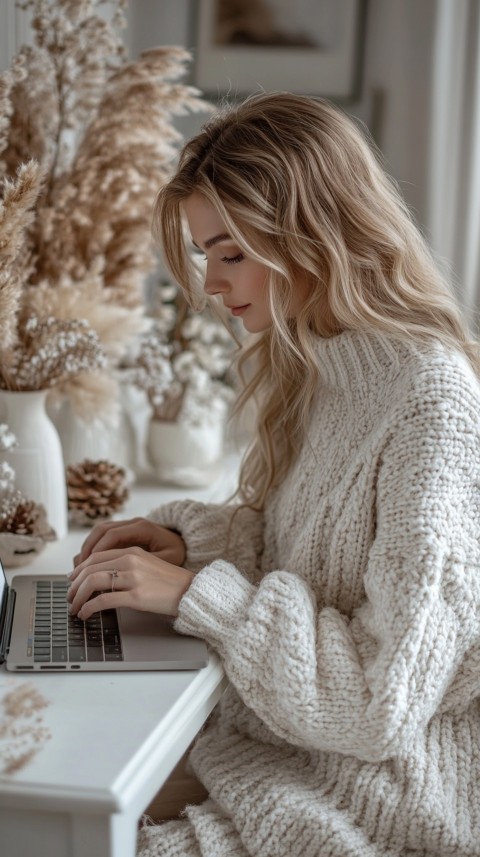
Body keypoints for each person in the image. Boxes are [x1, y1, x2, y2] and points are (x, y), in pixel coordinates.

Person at [67, 92, 480, 857]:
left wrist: (198, 596)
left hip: (378, 791)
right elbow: (304, 555)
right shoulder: (322, 367)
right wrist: (183, 541)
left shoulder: (431, 398)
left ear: (317, 235)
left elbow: (380, 703)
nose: (214, 286)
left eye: (232, 253)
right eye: (205, 256)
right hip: (276, 746)